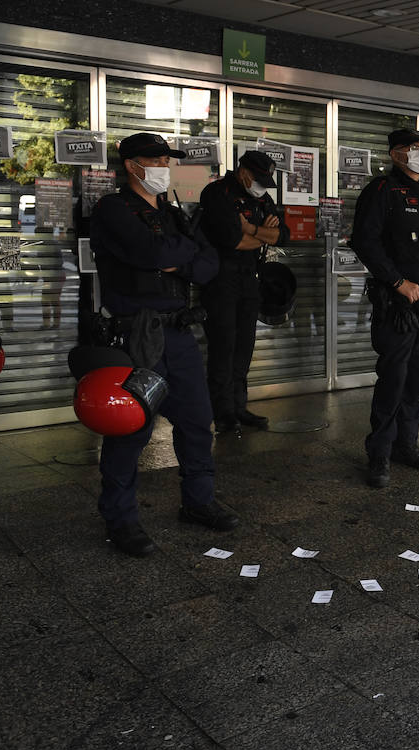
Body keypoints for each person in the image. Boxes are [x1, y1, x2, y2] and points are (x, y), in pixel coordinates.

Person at [91, 134, 238, 556]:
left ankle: (198, 501)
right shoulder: (112, 209)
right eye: (153, 158)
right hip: (137, 335)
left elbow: (208, 264)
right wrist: (175, 254)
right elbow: (148, 252)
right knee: (131, 430)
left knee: (196, 421)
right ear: (131, 165)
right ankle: (120, 520)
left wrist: (176, 254)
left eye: (164, 158)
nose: (161, 165)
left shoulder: (173, 213)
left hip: (178, 333)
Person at [351, 128, 419, 487]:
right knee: (393, 378)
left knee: (416, 377)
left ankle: (406, 444)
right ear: (396, 153)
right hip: (396, 301)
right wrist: (397, 282)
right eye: (414, 148)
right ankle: (379, 453)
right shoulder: (381, 191)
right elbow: (365, 243)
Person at [198, 150, 289, 433]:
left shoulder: (262, 199)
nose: (262, 186)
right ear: (244, 172)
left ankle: (239, 406)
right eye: (259, 179)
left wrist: (251, 228)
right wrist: (260, 234)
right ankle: (223, 413)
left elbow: (282, 236)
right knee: (223, 348)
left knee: (244, 347)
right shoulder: (217, 193)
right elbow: (232, 241)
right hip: (220, 280)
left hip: (250, 279)